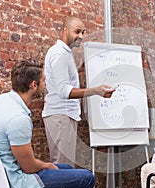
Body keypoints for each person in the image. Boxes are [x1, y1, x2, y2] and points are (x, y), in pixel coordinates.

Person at [0, 60, 95, 188]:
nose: (45, 85)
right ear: (34, 85)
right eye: (44, 81)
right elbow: (29, 167)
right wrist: (47, 165)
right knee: (86, 179)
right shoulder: (18, 118)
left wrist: (47, 166)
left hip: (1, 179)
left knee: (68, 169)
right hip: (16, 183)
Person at [42, 17, 115, 167]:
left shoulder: (64, 53)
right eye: (76, 32)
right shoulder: (60, 54)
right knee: (63, 168)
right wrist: (95, 91)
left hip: (63, 116)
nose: (81, 36)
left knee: (65, 167)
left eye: (83, 32)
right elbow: (63, 91)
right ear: (64, 30)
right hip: (61, 116)